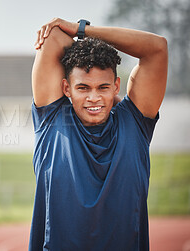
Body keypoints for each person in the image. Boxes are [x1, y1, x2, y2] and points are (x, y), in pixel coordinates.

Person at [30, 18, 168, 250]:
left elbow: (158, 48)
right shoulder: (52, 119)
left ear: (116, 86)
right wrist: (85, 46)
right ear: (66, 88)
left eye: (103, 87)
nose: (93, 98)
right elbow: (54, 37)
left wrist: (82, 31)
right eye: (83, 87)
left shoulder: (134, 122)